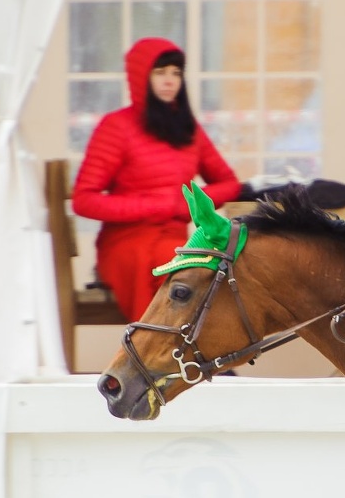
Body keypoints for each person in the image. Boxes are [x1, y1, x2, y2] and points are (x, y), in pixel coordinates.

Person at [72, 36, 241, 321]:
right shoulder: (116, 127)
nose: (169, 80)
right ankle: (167, 357)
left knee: (203, 269)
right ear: (141, 77)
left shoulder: (187, 129)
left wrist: (186, 205)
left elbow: (230, 183)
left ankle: (195, 356)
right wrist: (151, 205)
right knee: (178, 269)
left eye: (176, 73)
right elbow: (83, 200)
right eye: (160, 72)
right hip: (126, 243)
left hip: (173, 239)